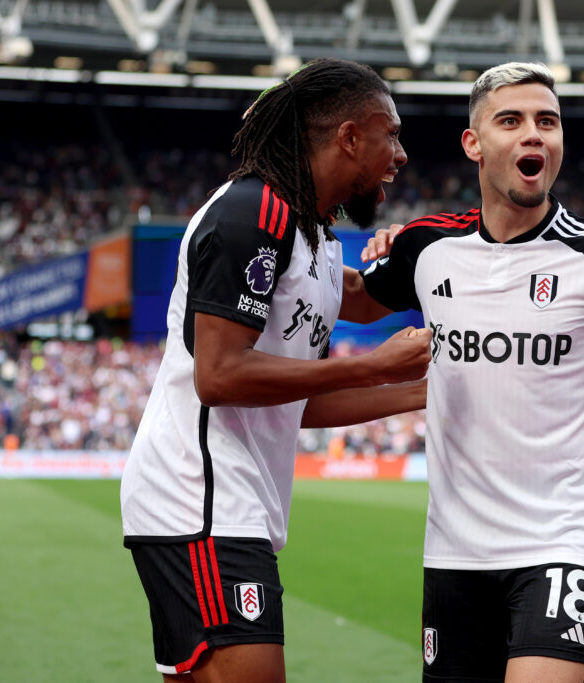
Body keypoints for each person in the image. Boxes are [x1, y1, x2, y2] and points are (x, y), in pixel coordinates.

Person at [348, 63, 584, 683]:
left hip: (562, 543)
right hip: (453, 550)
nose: (534, 135)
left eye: (547, 122)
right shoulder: (425, 247)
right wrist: (285, 238)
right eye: (511, 120)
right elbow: (349, 296)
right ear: (474, 144)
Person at [119, 58, 432, 683]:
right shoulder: (254, 212)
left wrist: (417, 393)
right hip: (199, 499)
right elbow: (220, 375)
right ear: (348, 137)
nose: (399, 154)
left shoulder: (315, 237)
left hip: (225, 508)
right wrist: (370, 364)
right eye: (389, 134)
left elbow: (298, 402)